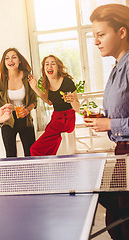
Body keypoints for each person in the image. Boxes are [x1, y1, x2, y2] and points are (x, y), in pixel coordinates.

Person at [85, 4, 129, 239]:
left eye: (101, 35)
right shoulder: (116, 68)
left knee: (122, 221)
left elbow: (118, 121)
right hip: (122, 154)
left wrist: (110, 124)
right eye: (94, 36)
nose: (96, 41)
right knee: (116, 218)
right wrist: (104, 118)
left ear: (121, 32)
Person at [0, 48, 37, 157]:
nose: (10, 60)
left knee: (30, 154)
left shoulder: (27, 77)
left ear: (19, 60)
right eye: (7, 58)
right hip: (7, 120)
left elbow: (34, 100)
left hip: (25, 119)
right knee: (10, 155)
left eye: (14, 57)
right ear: (4, 63)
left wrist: (27, 110)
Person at [28, 55, 80, 156]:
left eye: (53, 63)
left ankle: (42, 167)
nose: (49, 66)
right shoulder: (47, 83)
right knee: (48, 149)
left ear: (58, 67)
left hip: (67, 119)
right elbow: (49, 101)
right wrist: (35, 88)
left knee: (34, 149)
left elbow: (77, 108)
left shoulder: (67, 82)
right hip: (56, 119)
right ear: (44, 68)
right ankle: (50, 165)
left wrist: (72, 100)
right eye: (47, 64)